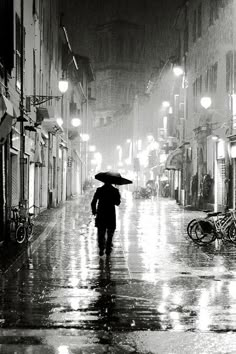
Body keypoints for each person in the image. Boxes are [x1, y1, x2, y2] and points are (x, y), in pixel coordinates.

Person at [91, 182, 121, 256]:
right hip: (110, 214)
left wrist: (94, 211)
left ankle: (101, 248)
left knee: (101, 232)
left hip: (101, 213)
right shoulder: (115, 191)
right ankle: (108, 249)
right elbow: (118, 203)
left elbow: (93, 202)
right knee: (110, 233)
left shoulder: (99, 190)